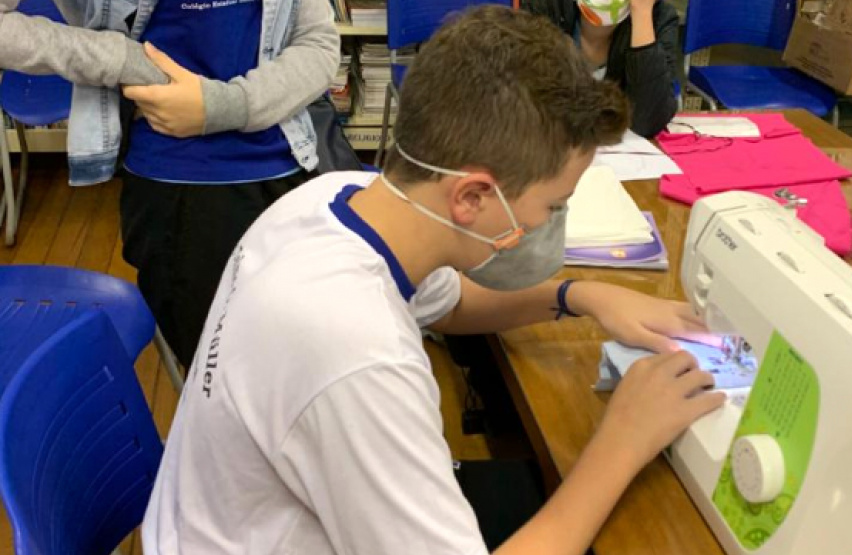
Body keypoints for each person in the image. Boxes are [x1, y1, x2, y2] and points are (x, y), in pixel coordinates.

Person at [142, 6, 725, 554]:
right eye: (552, 206)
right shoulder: (360, 354)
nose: (549, 224)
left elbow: (447, 303)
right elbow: (366, 359)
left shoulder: (332, 199)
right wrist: (624, 439)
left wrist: (579, 295)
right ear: (472, 195)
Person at [0, 0, 340, 368]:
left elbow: (318, 43)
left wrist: (223, 105)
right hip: (179, 182)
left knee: (300, 362)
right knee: (225, 374)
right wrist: (120, 59)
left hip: (291, 159)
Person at [522, 0, 679, 137]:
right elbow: (531, 108)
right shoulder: (545, 7)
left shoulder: (659, 17)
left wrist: (642, 14)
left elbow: (648, 122)